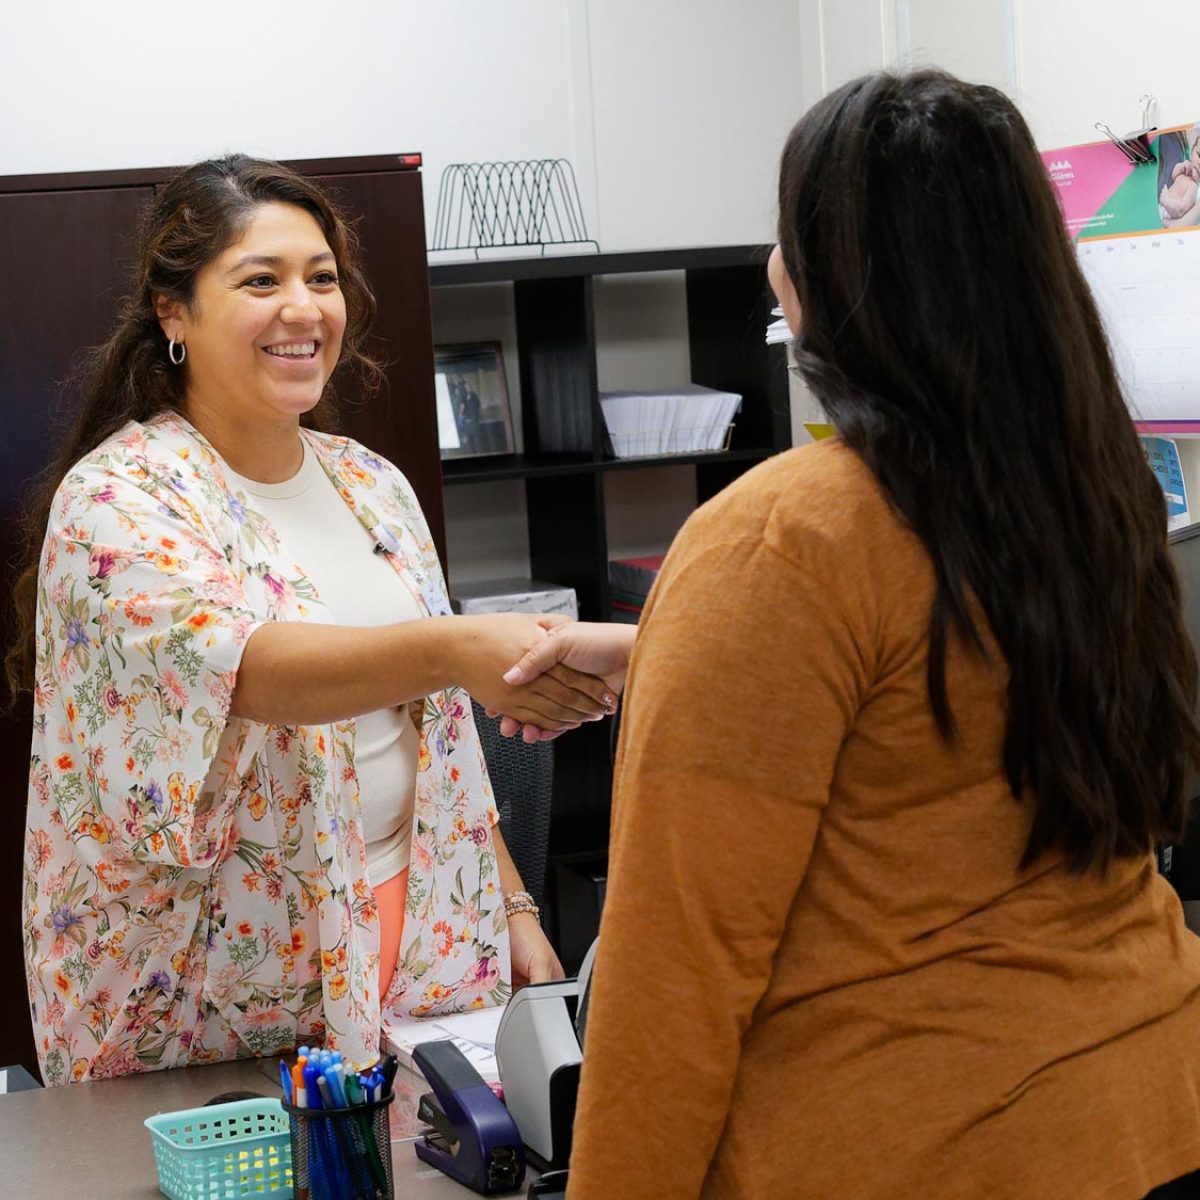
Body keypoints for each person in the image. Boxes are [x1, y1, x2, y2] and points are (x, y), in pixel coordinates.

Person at [518, 72, 1200, 1199]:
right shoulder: (1089, 490)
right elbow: (951, 717)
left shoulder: (781, 537)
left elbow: (675, 979)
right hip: (1149, 1105)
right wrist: (666, 654)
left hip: (925, 1147)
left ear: (828, 279)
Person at [9, 155, 617, 1085]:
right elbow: (245, 671)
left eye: (322, 278)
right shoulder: (121, 497)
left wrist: (515, 904)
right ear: (174, 312)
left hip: (418, 930)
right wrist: (456, 647)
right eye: (262, 280)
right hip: (209, 974)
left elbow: (438, 727)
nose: (305, 308)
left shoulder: (370, 482)